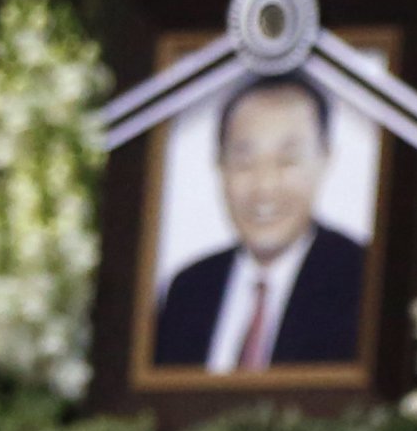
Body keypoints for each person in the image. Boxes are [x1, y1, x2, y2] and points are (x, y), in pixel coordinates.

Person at [151, 70, 367, 372]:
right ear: (220, 165)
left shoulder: (363, 280)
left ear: (325, 160)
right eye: (244, 161)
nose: (265, 186)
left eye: (288, 160)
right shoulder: (188, 292)